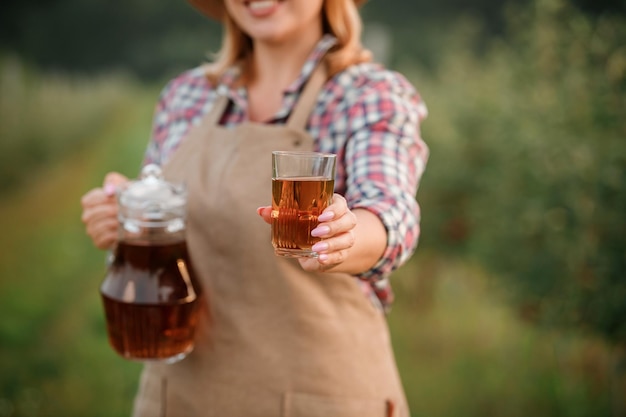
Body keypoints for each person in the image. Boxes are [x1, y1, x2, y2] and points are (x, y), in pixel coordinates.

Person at [80, 0, 429, 415]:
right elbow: (161, 235)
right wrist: (124, 219)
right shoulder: (185, 96)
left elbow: (391, 213)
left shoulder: (367, 95)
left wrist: (345, 234)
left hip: (321, 398)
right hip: (183, 396)